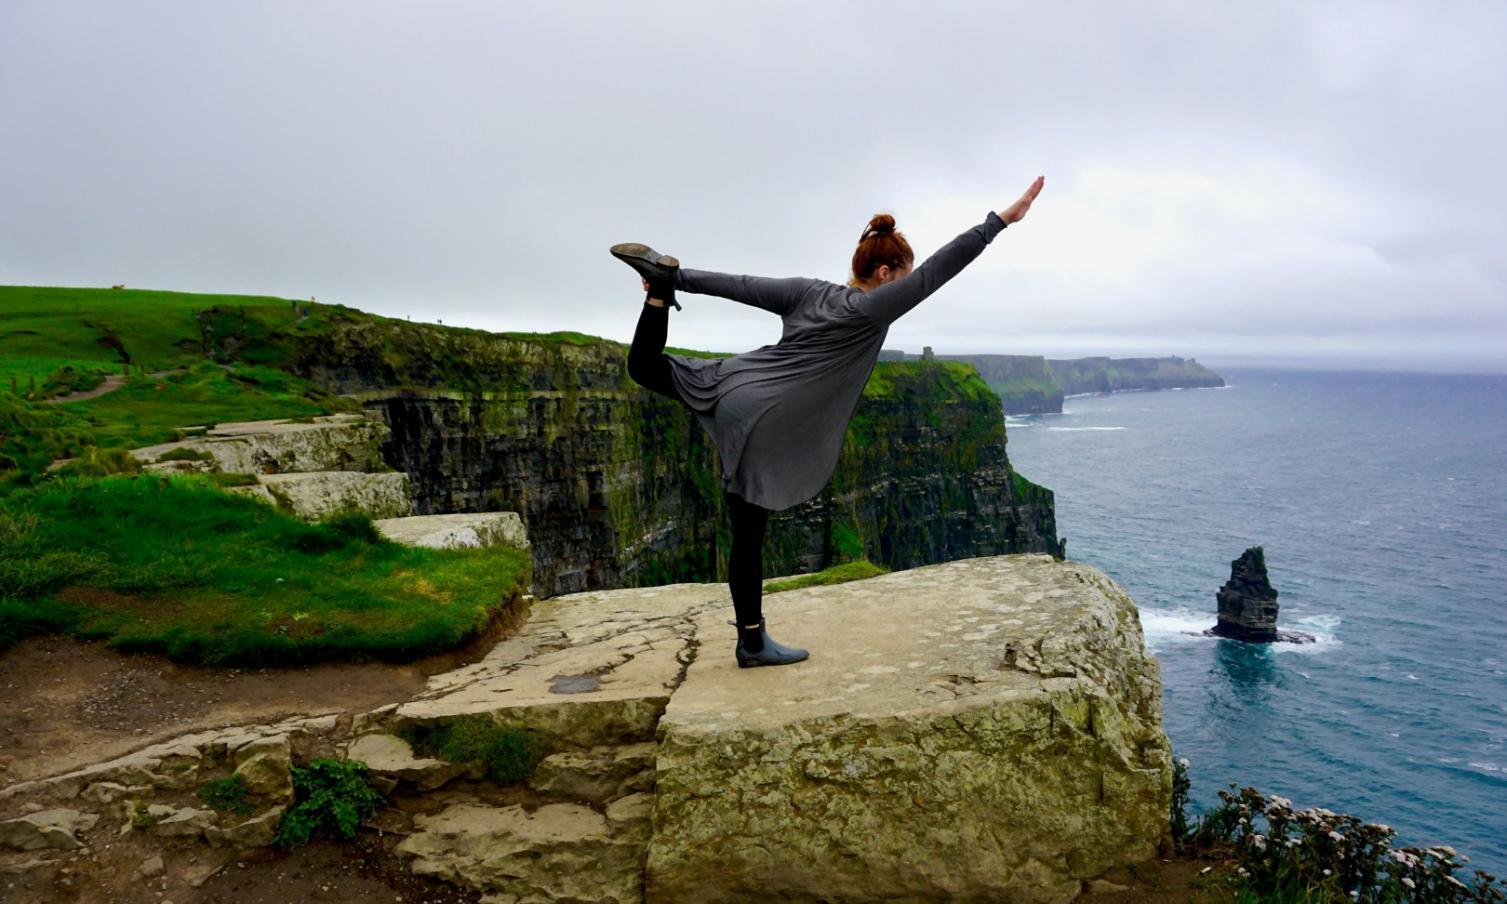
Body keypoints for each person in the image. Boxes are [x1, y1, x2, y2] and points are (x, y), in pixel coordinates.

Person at [614, 176, 1045, 669]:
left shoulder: (807, 292)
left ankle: (656, 297)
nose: (906, 283)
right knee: (748, 534)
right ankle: (751, 642)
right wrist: (997, 223)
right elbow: (936, 272)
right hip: (770, 418)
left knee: (645, 368)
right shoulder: (872, 309)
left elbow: (741, 286)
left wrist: (678, 278)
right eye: (901, 276)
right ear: (885, 273)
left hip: (735, 384)